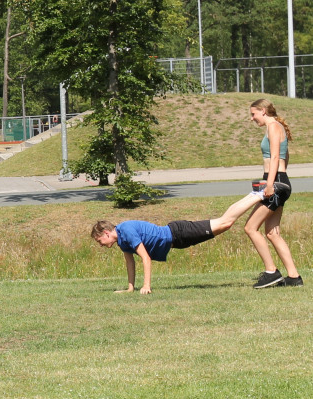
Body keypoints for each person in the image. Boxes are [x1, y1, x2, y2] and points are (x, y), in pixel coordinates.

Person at [90, 191, 264, 293]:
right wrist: (130, 288)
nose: (101, 245)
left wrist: (146, 286)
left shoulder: (126, 231)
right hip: (178, 240)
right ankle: (255, 195)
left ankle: (257, 194)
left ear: (106, 233)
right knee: (224, 222)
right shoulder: (122, 241)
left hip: (179, 232)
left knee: (225, 223)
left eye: (100, 241)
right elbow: (130, 262)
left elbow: (145, 258)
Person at [243, 99, 302, 288]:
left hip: (274, 182)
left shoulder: (274, 127)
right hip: (279, 181)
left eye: (254, 114)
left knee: (250, 228)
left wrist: (270, 185)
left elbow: (276, 156)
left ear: (263, 111)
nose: (252, 118)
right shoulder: (276, 127)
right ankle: (294, 277)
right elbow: (285, 157)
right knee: (272, 233)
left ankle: (271, 272)